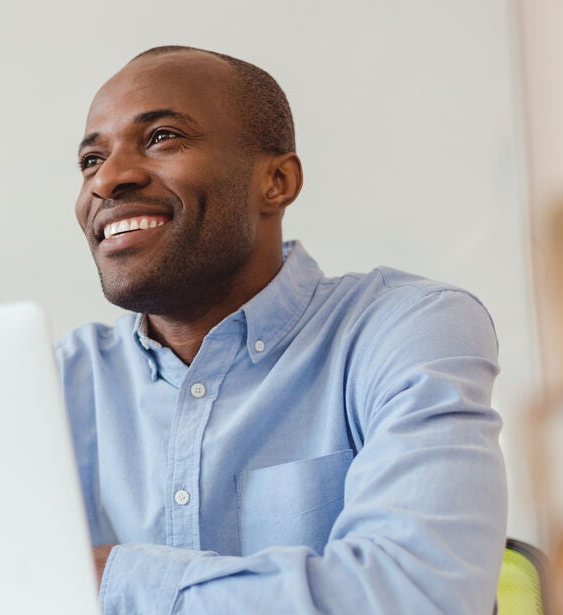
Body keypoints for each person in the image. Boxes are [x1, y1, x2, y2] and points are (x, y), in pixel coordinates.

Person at [58, 45, 507, 613]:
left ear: (276, 181)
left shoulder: (408, 327)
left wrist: (114, 581)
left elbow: (418, 593)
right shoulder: (51, 384)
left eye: (162, 137)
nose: (110, 179)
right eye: (90, 160)